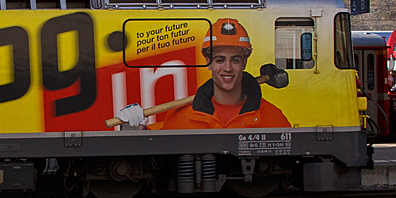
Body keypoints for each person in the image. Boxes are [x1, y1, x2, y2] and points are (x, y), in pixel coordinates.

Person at [116, 19, 290, 130]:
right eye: (220, 60)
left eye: (235, 60)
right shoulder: (181, 117)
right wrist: (135, 129)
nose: (228, 68)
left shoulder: (272, 117)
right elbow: (156, 148)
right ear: (208, 61)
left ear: (244, 62)